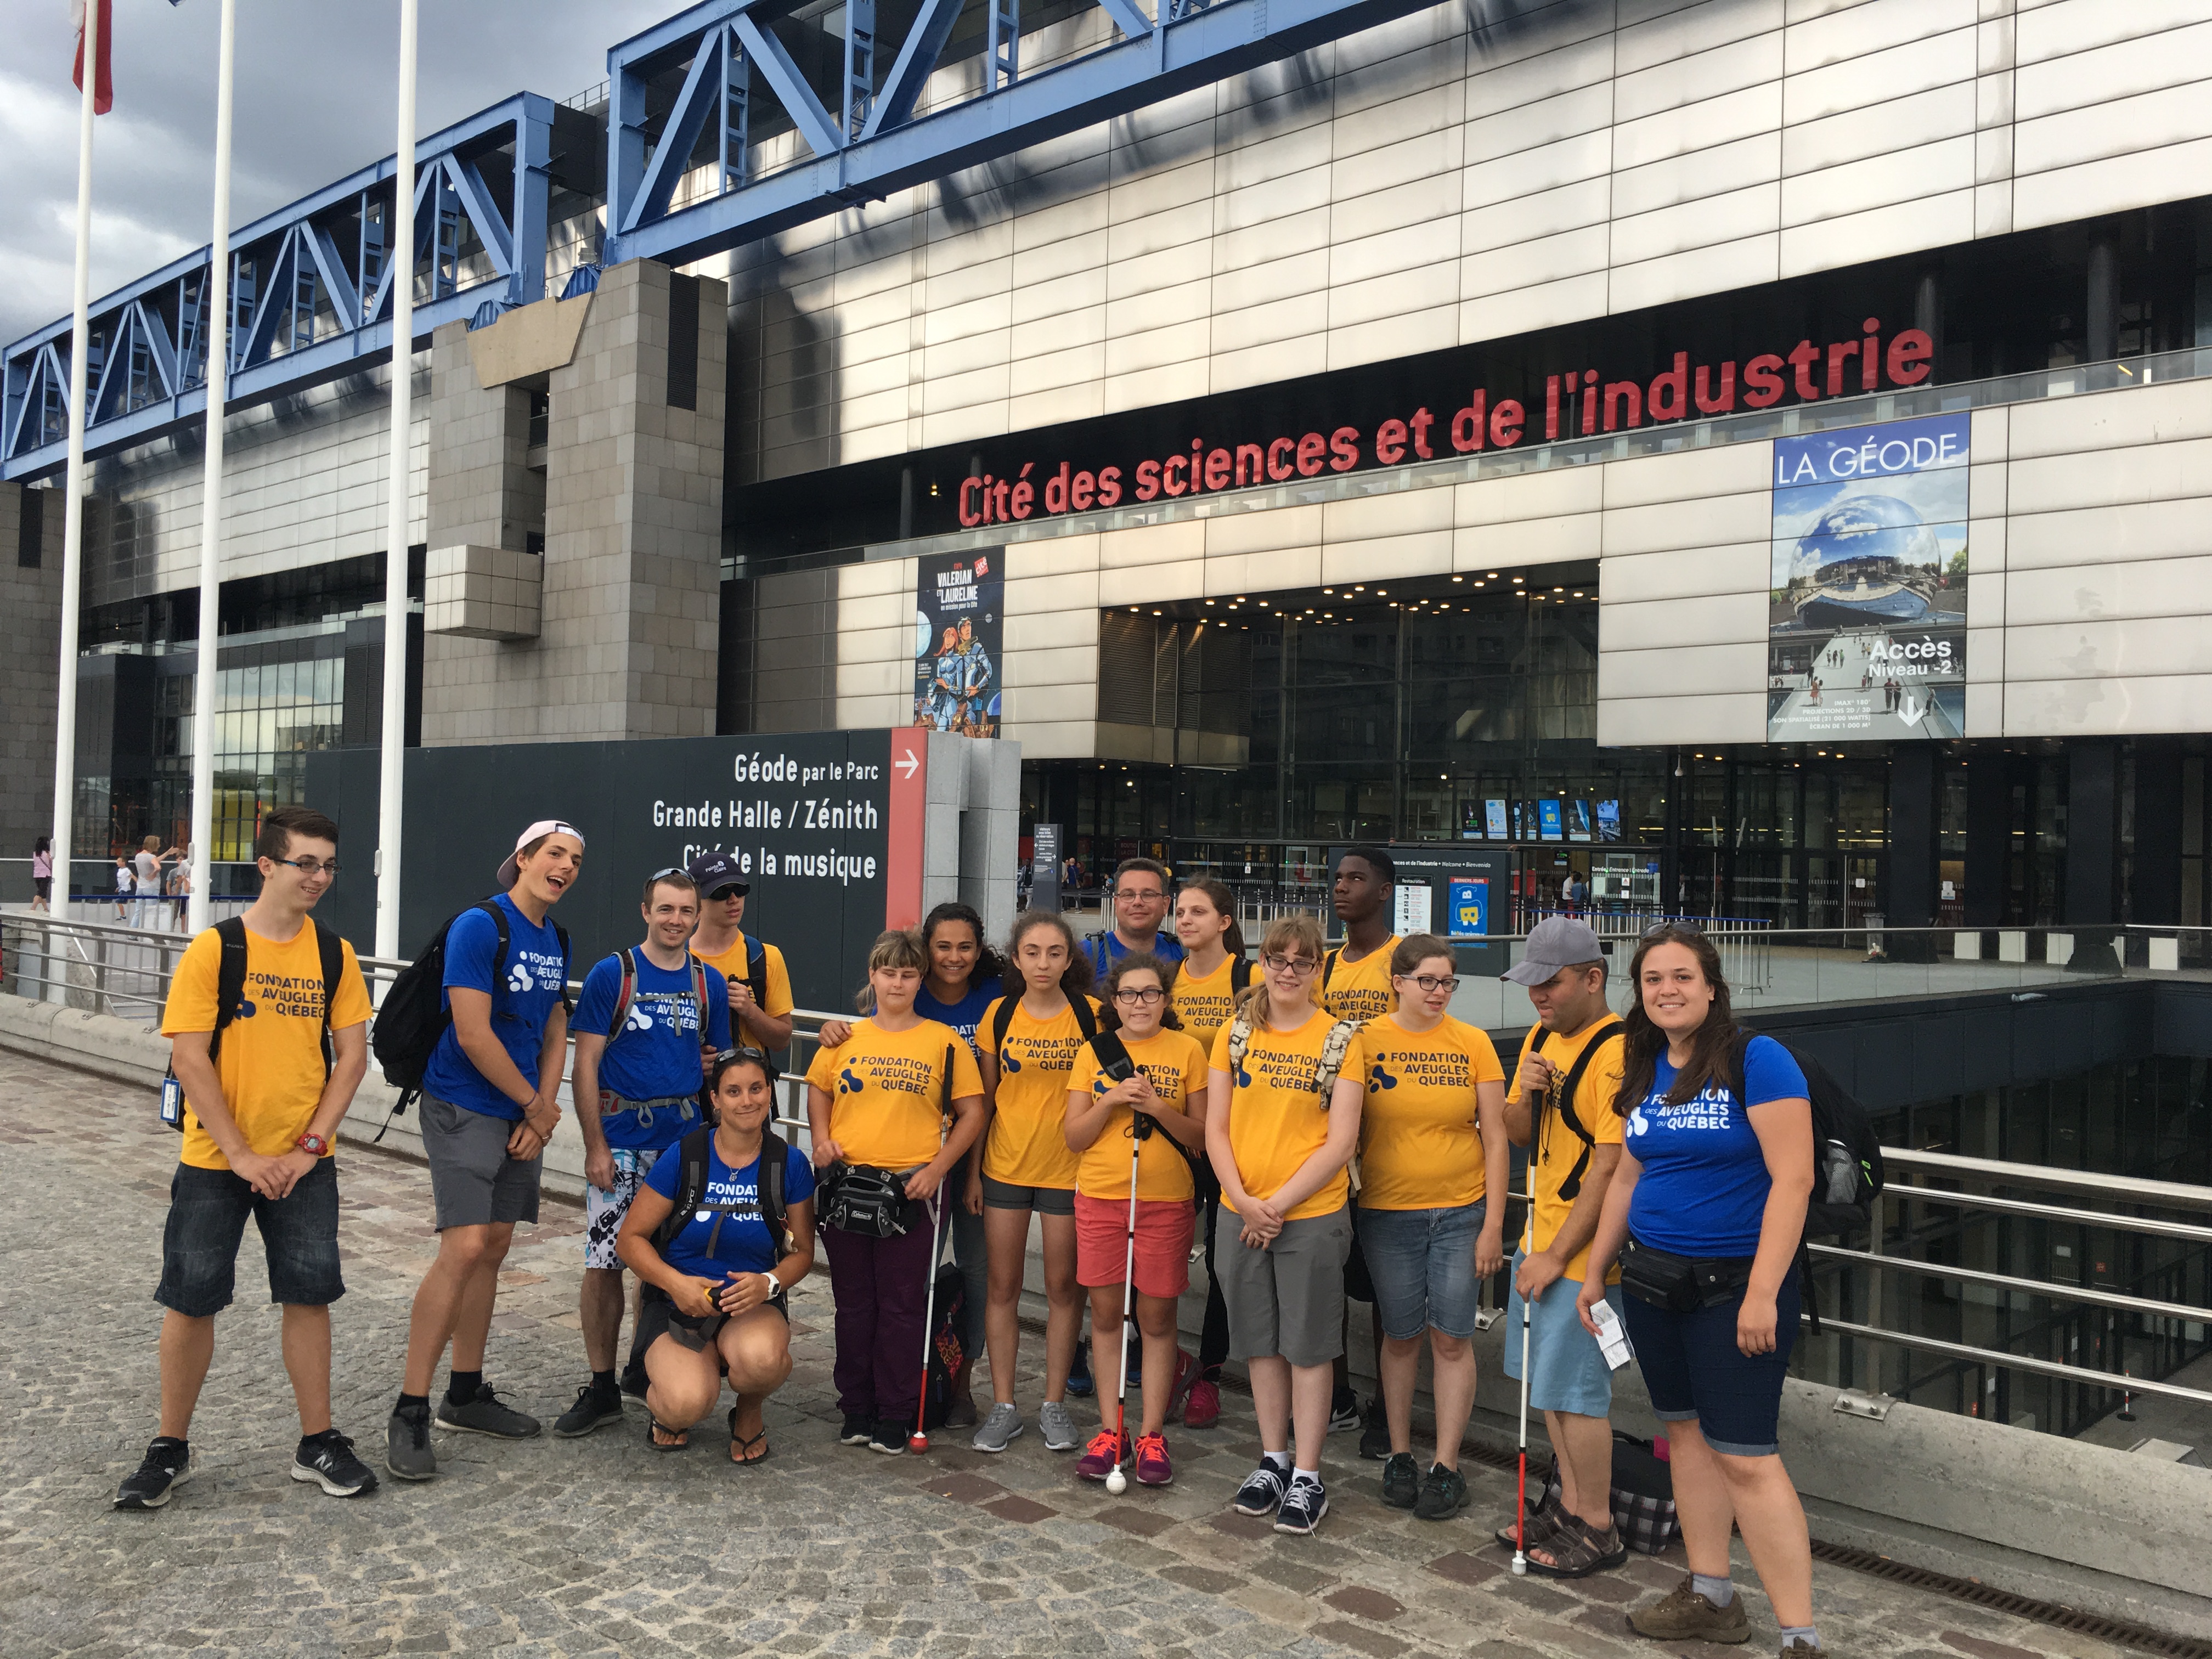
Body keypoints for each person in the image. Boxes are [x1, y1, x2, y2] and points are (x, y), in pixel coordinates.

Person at [117, 806, 376, 1509]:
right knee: (190, 1299)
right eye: (307, 864)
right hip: (215, 1159)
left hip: (302, 1163)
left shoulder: (334, 953)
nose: (320, 877)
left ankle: (317, 1441)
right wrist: (238, 1153)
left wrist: (309, 1148)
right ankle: (169, 1445)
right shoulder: (215, 949)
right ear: (268, 865)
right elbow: (188, 1056)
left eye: (329, 865)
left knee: (310, 1294)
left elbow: (352, 1059)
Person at [1577, 924, 1821, 1655]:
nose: (1668, 991)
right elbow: (1628, 1173)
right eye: (1654, 980)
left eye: (1683, 977)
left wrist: (1763, 1292)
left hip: (1737, 1290)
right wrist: (1595, 1270)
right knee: (1683, 1436)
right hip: (1654, 1284)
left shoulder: (1757, 1059)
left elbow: (1795, 1178)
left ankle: (1801, 1636)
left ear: (1712, 987)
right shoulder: (1643, 1062)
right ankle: (1712, 1595)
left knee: (1746, 1456)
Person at [386, 820, 582, 1481]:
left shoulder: (555, 937)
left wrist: (543, 1110)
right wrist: (535, 1105)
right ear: (522, 859)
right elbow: (471, 1033)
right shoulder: (481, 925)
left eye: (576, 860)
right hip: (464, 1104)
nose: (565, 867)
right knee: (464, 1246)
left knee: (494, 1246)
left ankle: (464, 1393)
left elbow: (556, 1025)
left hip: (521, 1109)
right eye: (555, 854)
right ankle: (410, 1407)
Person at [811, 900, 1005, 1427]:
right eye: (888, 973)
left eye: (907, 973)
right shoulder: (846, 1036)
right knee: (856, 1305)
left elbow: (973, 1110)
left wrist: (942, 1169)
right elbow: (820, 1091)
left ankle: (917, 1402)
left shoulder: (955, 1030)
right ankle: (858, 1405)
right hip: (852, 1185)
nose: (898, 983)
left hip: (923, 1184)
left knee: (919, 1299)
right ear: (873, 976)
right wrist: (822, 1140)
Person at [555, 868, 733, 1437]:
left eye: (686, 911)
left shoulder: (707, 982)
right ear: (645, 911)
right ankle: (602, 1383)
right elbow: (584, 1063)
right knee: (605, 1260)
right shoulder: (615, 974)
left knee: (671, 1263)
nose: (677, 920)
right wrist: (594, 1145)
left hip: (683, 1143)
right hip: (622, 1141)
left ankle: (647, 1366)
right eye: (666, 910)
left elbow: (724, 1064)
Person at [1205, 913, 1364, 1536]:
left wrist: (1275, 1207)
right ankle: (1272, 1458)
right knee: (1261, 1341)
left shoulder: (1343, 1039)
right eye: (1278, 959)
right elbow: (1216, 1128)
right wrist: (1244, 1200)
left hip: (1311, 1216)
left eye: (1302, 961)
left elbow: (1340, 1141)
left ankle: (1308, 1473)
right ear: (1263, 964)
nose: (1289, 971)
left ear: (1317, 969)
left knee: (1310, 1345)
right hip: (1240, 1210)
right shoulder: (1235, 1033)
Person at [1357, 933, 1508, 1522]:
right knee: (1400, 1335)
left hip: (1460, 1211)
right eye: (1428, 981)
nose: (1440, 992)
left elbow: (1495, 1138)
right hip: (1387, 1212)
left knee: (1451, 1336)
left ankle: (1446, 1464)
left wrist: (1494, 1224)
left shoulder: (1473, 1043)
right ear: (1397, 981)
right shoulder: (1365, 1041)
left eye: (1448, 982)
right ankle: (1399, 1452)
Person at [1497, 917, 1631, 1576]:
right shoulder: (1544, 1037)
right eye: (1532, 986)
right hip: (1540, 1239)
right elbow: (1518, 1129)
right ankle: (1570, 1507)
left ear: (1593, 979)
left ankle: (1598, 1525)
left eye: (1551, 985)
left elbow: (1612, 1170)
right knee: (1547, 1389)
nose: (1539, 998)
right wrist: (1526, 1088)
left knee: (1579, 1395)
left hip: (1578, 1257)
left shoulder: (1618, 1053)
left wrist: (1559, 1257)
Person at [617, 1049, 815, 1459]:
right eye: (734, 1091)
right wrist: (676, 1284)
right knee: (686, 1404)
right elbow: (630, 1239)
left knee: (762, 1361)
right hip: (680, 1302)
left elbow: (803, 1253)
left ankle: (749, 1411)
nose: (748, 1100)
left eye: (757, 1088)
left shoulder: (789, 1164)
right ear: (715, 1100)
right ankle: (665, 1401)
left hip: (751, 1304)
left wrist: (769, 1283)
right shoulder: (685, 1155)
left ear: (769, 1092)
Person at [1064, 952, 1207, 1486]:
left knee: (1157, 1319)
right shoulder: (1092, 1053)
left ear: (1166, 1000)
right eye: (1129, 994)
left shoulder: (1188, 1050)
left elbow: (1200, 1138)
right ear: (1114, 1001)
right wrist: (1110, 1103)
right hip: (1102, 1197)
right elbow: (1074, 1137)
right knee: (1105, 1316)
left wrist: (1156, 1107)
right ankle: (1110, 1429)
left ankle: (1151, 1433)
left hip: (1166, 1201)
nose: (1140, 1003)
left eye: (1151, 993)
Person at [970, 911, 1103, 1454]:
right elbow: (982, 1101)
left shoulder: (1093, 1016)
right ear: (1017, 958)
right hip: (1004, 1166)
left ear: (1069, 960)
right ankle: (1004, 1406)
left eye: (1054, 953)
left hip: (1070, 1171)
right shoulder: (999, 1015)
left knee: (1063, 1289)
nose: (1043, 963)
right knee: (1001, 1289)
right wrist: (975, 1173)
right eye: (1032, 952)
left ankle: (1053, 1405)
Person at [1165, 877, 1253, 1429]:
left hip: (1228, 1139)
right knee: (1158, 1253)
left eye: (1198, 912)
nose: (1185, 920)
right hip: (1171, 1135)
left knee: (1222, 1263)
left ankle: (1211, 1374)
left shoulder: (1249, 977)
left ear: (1224, 922)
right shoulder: (1163, 980)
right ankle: (1165, 1355)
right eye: (1180, 911)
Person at [1321, 845, 1399, 1455]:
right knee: (1328, 1279)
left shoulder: (1404, 961)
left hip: (1388, 1145)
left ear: (1383, 890)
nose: (1342, 888)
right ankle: (1338, 1396)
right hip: (1329, 1148)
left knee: (1384, 1287)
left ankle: (1385, 1406)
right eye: (1338, 878)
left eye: (1356, 879)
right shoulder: (1323, 966)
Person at [687, 851, 795, 1055]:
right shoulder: (676, 959)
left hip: (750, 1082)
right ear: (696, 900)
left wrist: (750, 1010)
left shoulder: (764, 957)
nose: (734, 899)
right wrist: (691, 1062)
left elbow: (782, 1040)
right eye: (720, 893)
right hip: (693, 1085)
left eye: (739, 890)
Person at [1084, 856, 1184, 978]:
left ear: (1165, 904)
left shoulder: (1186, 955)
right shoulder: (1085, 954)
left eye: (1148, 895)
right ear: (1116, 904)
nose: (1137, 902)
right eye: (1128, 895)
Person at [31, 836, 52, 911]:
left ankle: (46, 909)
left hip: (37, 875)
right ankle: (33, 907)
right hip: (45, 875)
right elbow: (51, 863)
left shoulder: (35, 854)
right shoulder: (48, 854)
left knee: (43, 893)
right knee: (40, 893)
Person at [115, 853, 133, 919]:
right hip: (121, 888)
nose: (117, 863)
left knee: (118, 901)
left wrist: (139, 883)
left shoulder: (127, 870)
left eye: (119, 862)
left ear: (123, 862)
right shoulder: (120, 870)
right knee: (124, 901)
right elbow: (121, 881)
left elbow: (132, 876)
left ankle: (123, 916)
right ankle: (132, 899)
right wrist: (118, 888)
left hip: (125, 889)